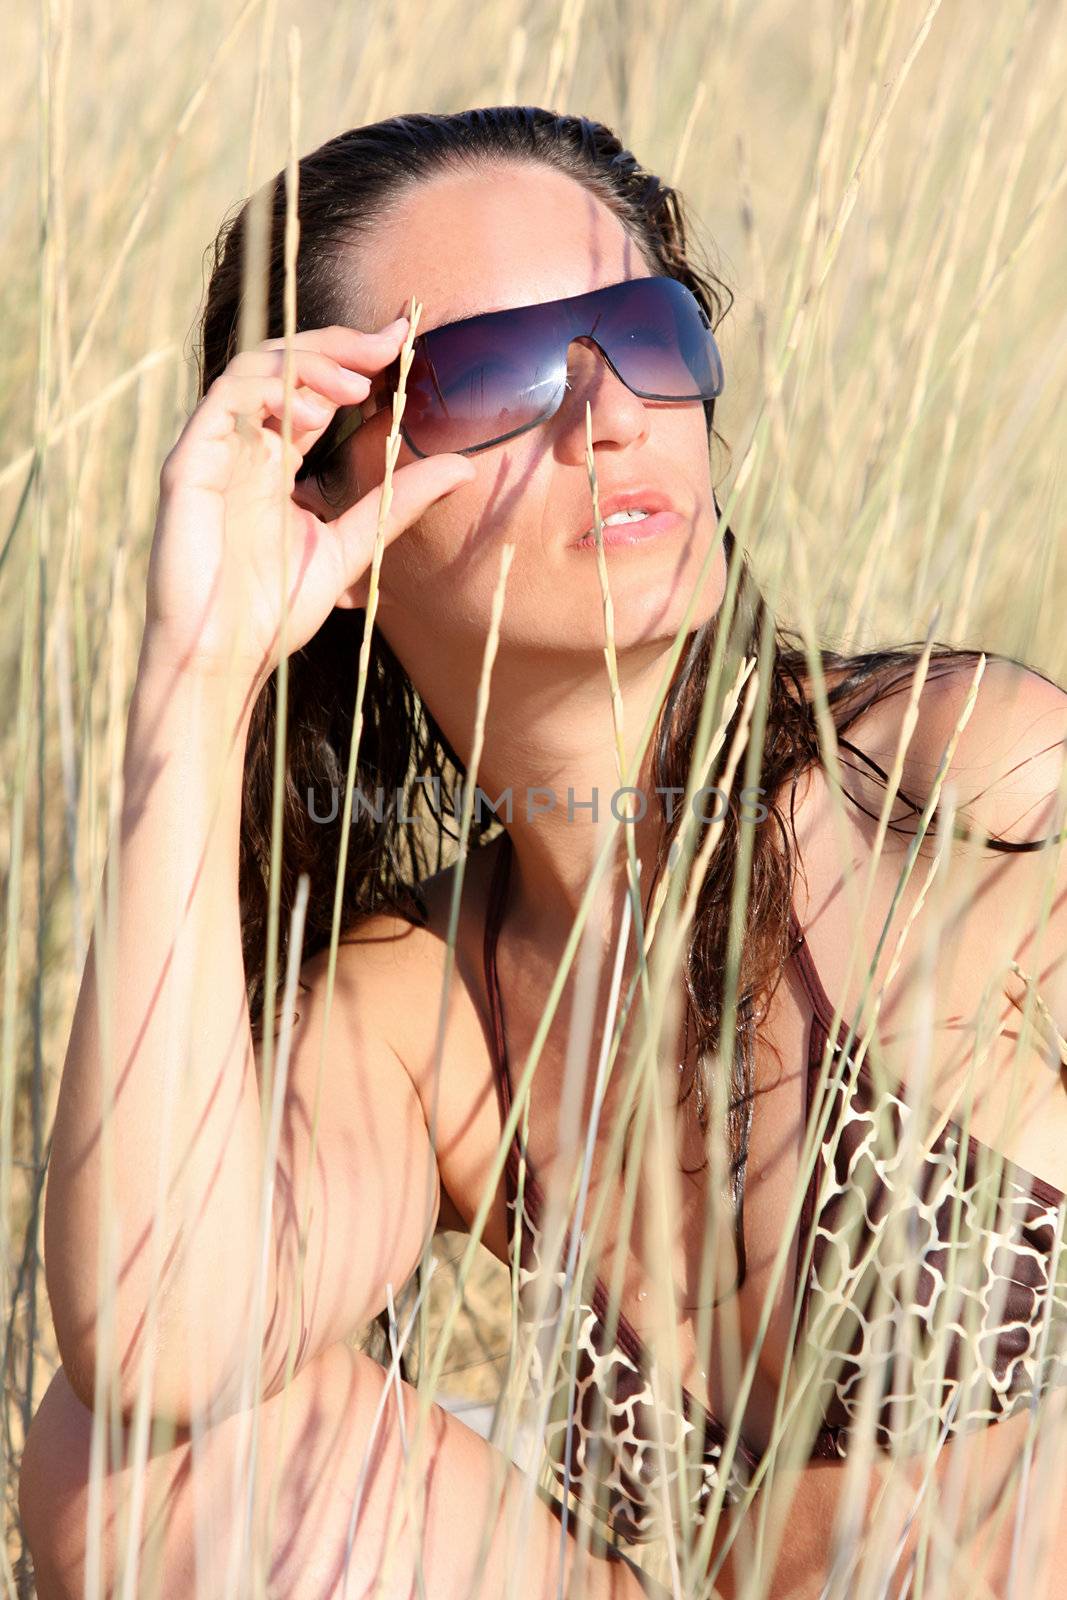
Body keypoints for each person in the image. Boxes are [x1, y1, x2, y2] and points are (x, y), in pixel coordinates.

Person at [18, 106, 1067, 1600]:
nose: (613, 416)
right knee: (132, 1473)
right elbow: (151, 1339)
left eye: (644, 329)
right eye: (502, 375)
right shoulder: (425, 1014)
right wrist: (198, 673)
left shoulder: (952, 779)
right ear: (332, 499)